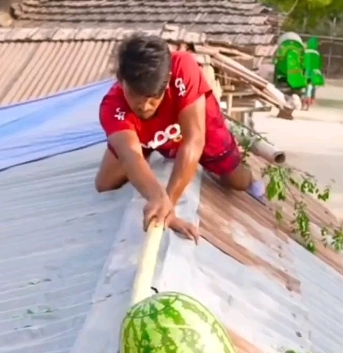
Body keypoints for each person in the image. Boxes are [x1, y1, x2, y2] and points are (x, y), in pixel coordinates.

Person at [96, 33, 267, 242]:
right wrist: (157, 197)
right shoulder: (111, 107)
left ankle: (251, 179)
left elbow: (194, 140)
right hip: (148, 134)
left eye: (153, 99)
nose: (144, 106)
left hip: (198, 126)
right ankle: (157, 149)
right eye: (135, 97)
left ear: (166, 82)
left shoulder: (184, 68)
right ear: (121, 82)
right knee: (104, 183)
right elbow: (131, 156)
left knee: (237, 181)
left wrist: (168, 204)